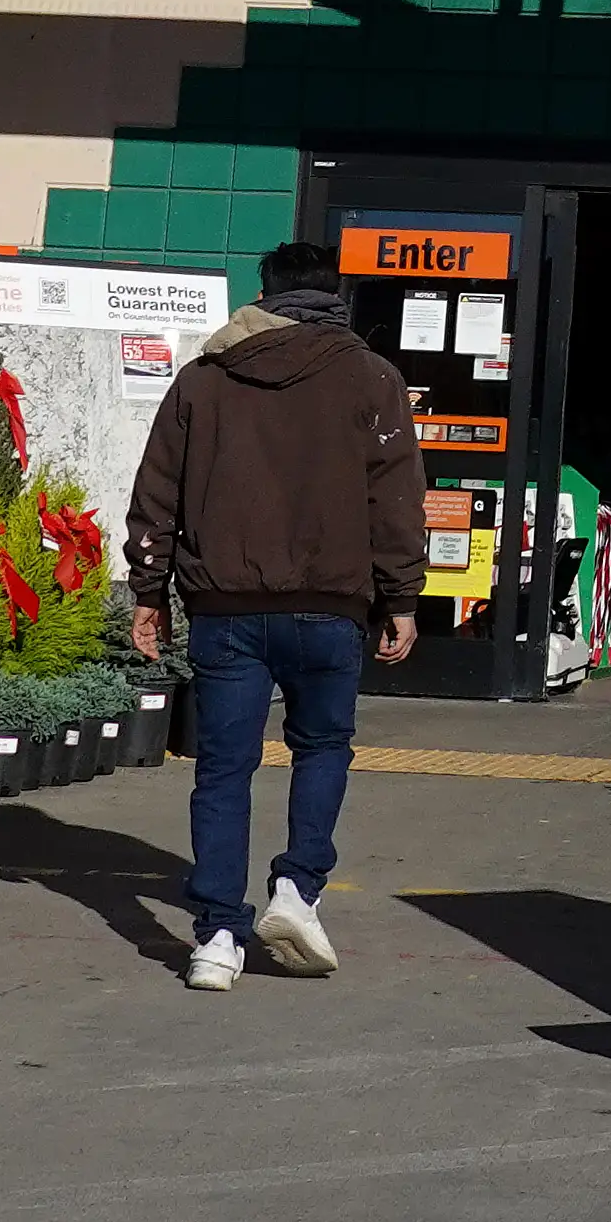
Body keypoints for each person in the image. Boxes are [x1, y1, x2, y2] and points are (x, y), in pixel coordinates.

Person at [126, 238, 425, 993]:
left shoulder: (204, 379)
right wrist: (400, 598)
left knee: (224, 770)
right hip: (329, 607)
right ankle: (297, 890)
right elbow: (394, 499)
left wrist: (148, 592)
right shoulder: (372, 378)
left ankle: (217, 939)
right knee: (322, 748)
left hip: (225, 605)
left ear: (262, 295)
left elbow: (156, 491)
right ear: (338, 297)